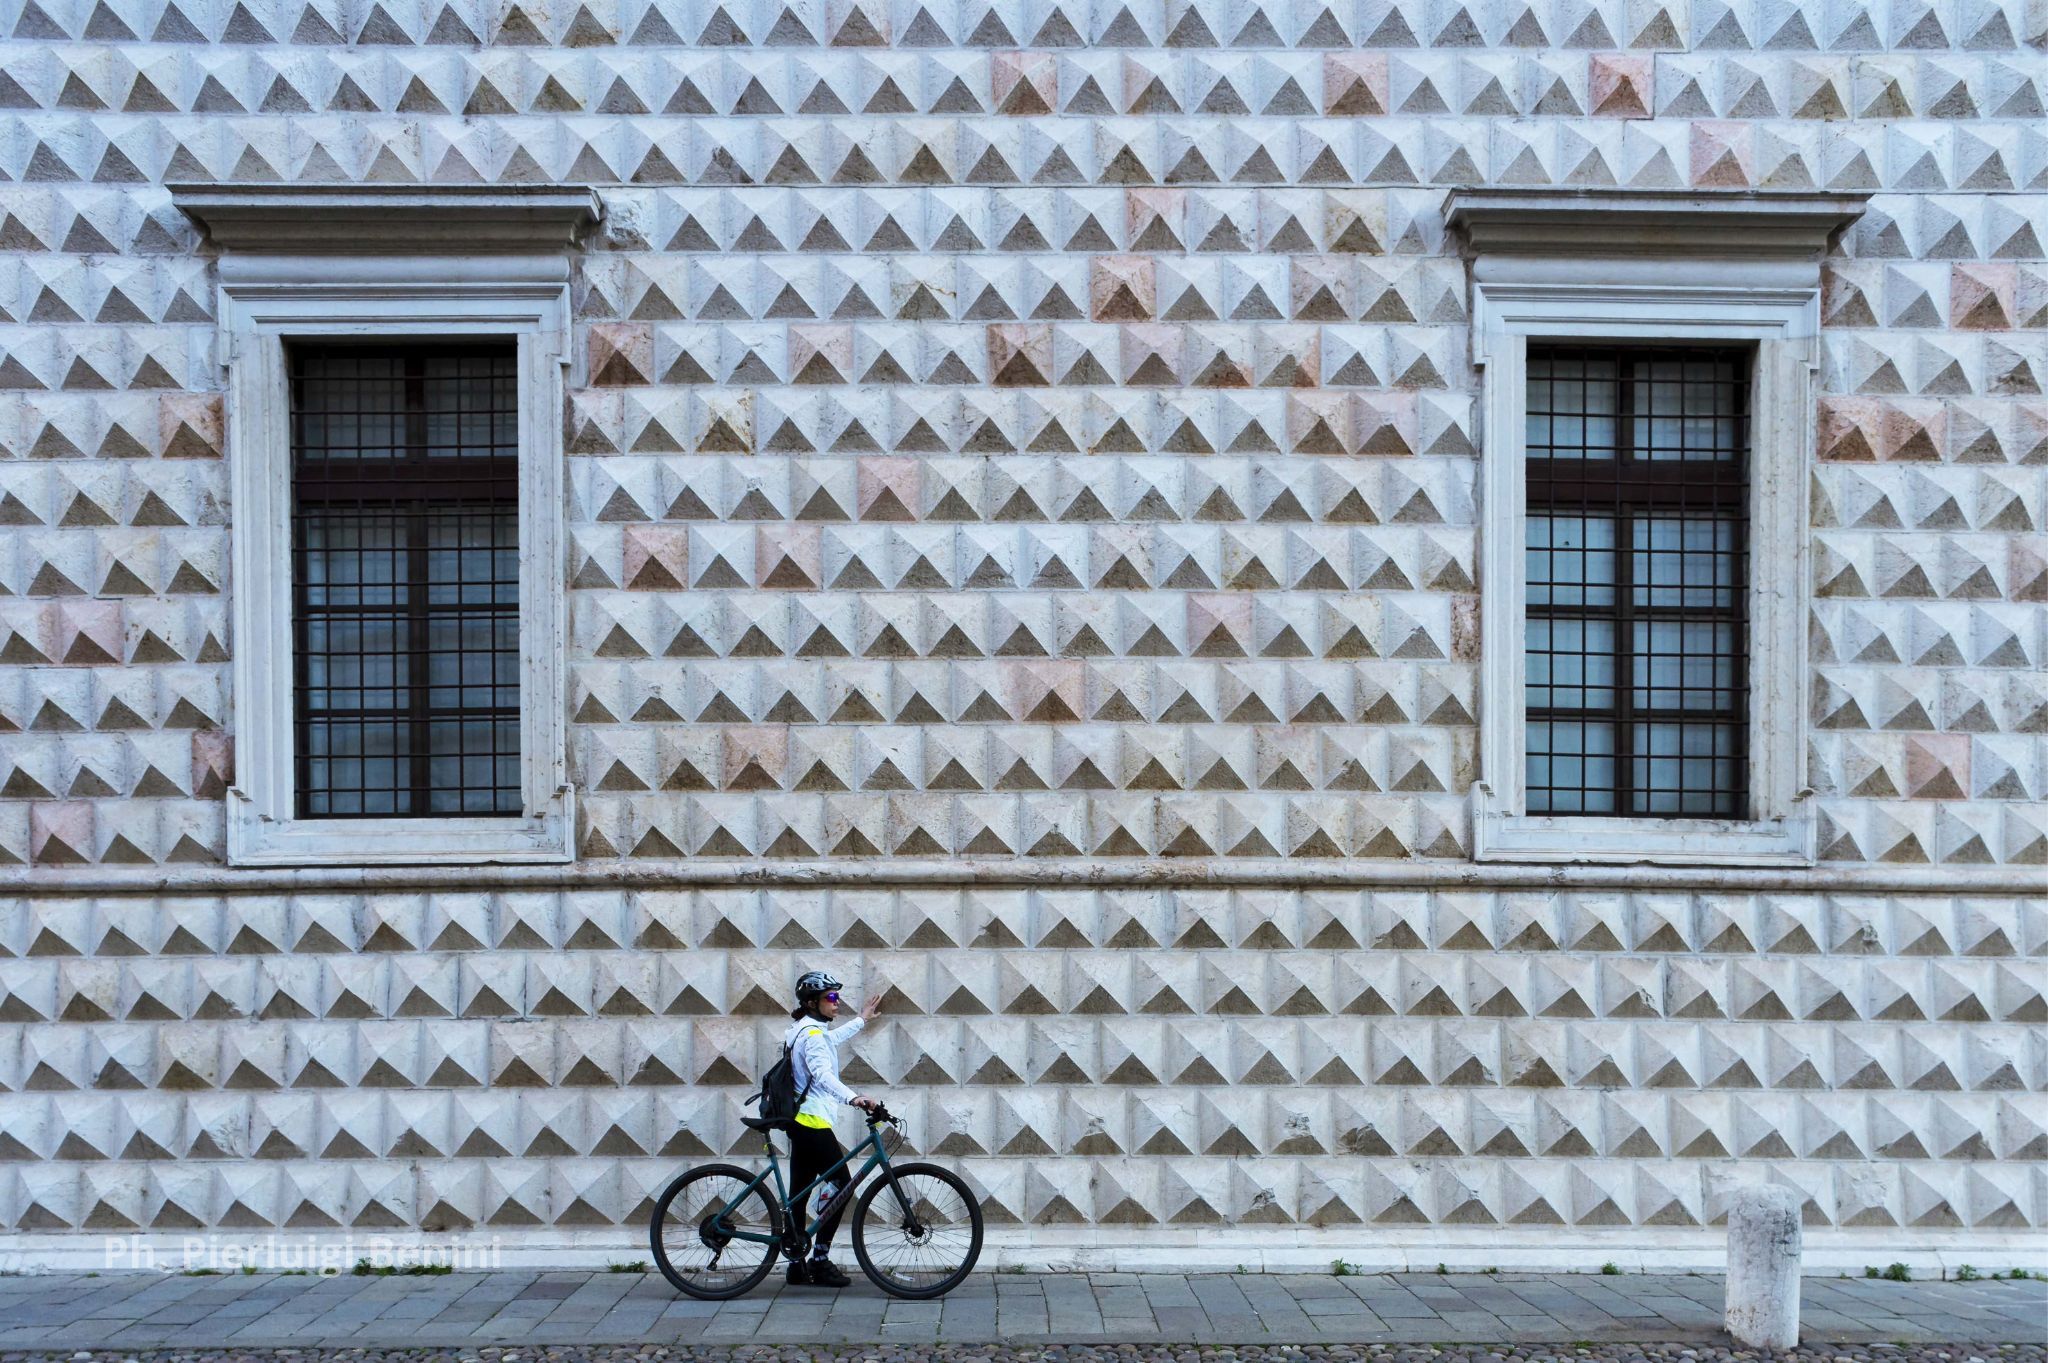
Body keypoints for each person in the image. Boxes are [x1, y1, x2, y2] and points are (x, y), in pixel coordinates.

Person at [782, 969, 881, 1288]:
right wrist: (855, 1098)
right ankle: (820, 1260)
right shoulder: (812, 1035)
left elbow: (829, 1041)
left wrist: (861, 1021)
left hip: (799, 1121)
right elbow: (822, 1075)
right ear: (813, 1002)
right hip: (811, 1122)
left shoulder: (803, 1030)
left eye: (837, 996)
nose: (837, 1003)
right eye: (831, 998)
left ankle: (797, 1265)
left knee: (799, 1193)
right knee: (842, 1184)